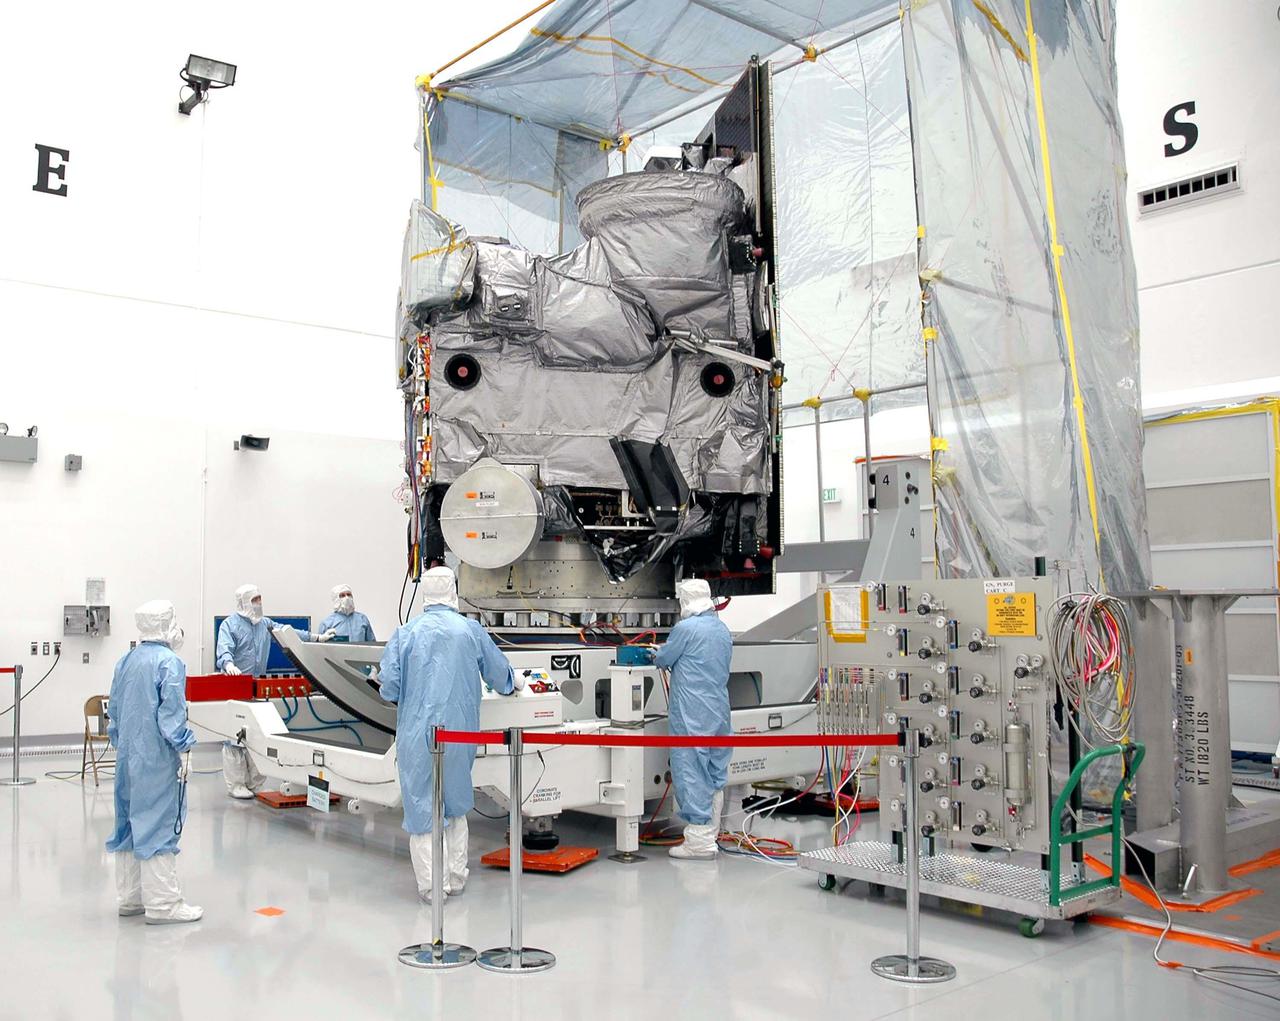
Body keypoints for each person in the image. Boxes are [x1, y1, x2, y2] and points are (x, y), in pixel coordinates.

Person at [378, 566, 523, 901]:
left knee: (423, 806)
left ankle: (434, 886)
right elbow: (499, 673)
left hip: (419, 735)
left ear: (426, 592)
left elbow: (389, 688)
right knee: (456, 802)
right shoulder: (469, 630)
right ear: (453, 590)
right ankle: (456, 877)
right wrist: (514, 681)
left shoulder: (406, 633)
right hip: (461, 733)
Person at [105, 600, 202, 924]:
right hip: (157, 758)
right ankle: (163, 905)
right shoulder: (169, 663)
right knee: (158, 824)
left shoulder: (127, 660)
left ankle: (130, 898)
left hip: (128, 757)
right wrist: (184, 747)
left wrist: (126, 745)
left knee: (129, 824)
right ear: (165, 624)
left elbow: (114, 711)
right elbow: (171, 718)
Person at [215, 583, 334, 798]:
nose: (259, 603)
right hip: (236, 685)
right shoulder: (229, 625)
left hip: (258, 687)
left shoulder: (265, 624)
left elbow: (287, 633)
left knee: (257, 735)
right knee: (235, 736)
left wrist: (316, 637)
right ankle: (236, 784)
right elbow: (224, 648)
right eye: (255, 599)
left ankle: (255, 783)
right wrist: (228, 664)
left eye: (260, 598)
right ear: (243, 602)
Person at [653, 578, 733, 860]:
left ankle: (699, 843)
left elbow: (664, 659)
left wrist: (656, 654)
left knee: (691, 768)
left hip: (692, 712)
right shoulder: (721, 629)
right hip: (718, 709)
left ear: (685, 601)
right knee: (714, 768)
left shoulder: (685, 629)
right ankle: (711, 833)